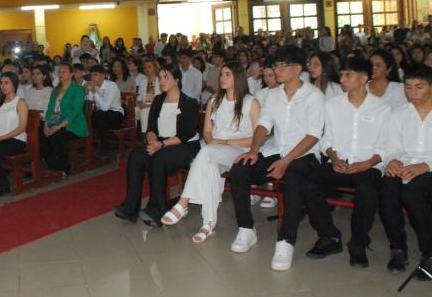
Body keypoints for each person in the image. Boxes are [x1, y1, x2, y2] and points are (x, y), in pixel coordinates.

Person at [228, 45, 324, 271]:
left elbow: (313, 135)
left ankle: (285, 241)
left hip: (304, 155)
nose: (277, 70)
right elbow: (264, 124)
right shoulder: (272, 94)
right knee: (240, 169)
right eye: (275, 65)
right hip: (276, 151)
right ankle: (246, 229)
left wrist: (287, 160)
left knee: (292, 178)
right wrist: (253, 150)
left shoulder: (313, 96)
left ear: (297, 69)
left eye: (283, 66)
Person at [302, 57, 390, 267]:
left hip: (368, 165)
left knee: (367, 191)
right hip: (339, 162)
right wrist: (333, 158)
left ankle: (358, 243)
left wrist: (367, 163)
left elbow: (385, 146)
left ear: (364, 78)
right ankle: (329, 236)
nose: (342, 79)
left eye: (347, 74)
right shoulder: (333, 105)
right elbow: (327, 139)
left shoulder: (382, 108)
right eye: (341, 74)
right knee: (309, 185)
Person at [162, 62, 258, 243]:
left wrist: (224, 142)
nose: (222, 78)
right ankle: (208, 224)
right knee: (210, 166)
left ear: (238, 78)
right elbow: (207, 132)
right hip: (216, 150)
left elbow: (256, 138)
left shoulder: (250, 102)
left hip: (239, 152)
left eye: (227, 74)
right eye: (221, 74)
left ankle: (184, 202)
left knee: (206, 154)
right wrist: (215, 143)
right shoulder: (214, 100)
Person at [115, 64, 201, 227]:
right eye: (160, 78)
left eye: (165, 77)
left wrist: (160, 145)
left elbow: (185, 134)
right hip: (160, 142)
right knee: (136, 155)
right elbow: (151, 128)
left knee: (158, 159)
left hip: (184, 145)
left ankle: (156, 210)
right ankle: (130, 208)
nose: (161, 81)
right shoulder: (158, 100)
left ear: (176, 80)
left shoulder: (188, 102)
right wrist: (152, 141)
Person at [380, 64, 432, 278]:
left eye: (419, 87)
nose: (413, 93)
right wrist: (393, 160)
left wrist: (426, 166)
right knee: (387, 186)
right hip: (407, 167)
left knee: (412, 191)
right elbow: (391, 147)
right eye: (408, 88)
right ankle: (398, 248)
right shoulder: (398, 114)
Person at [43, 63, 88, 174]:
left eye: (64, 72)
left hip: (73, 124)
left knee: (58, 136)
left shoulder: (78, 89)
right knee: (41, 134)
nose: (61, 74)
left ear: (71, 74)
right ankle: (52, 166)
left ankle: (63, 167)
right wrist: (46, 124)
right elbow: (50, 109)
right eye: (59, 72)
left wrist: (60, 126)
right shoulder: (56, 90)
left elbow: (76, 111)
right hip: (55, 122)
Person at [87, 65, 124, 155]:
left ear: (103, 75)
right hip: (101, 115)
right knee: (86, 116)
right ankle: (86, 145)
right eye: (91, 75)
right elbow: (89, 102)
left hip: (116, 115)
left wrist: (94, 91)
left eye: (95, 75)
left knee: (99, 115)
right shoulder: (93, 86)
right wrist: (88, 90)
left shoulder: (111, 86)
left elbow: (105, 107)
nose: (92, 78)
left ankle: (104, 148)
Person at [137, 58, 160, 134]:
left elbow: (161, 97)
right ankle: (133, 134)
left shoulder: (160, 80)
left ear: (155, 68)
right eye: (145, 67)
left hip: (156, 105)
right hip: (144, 105)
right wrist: (140, 103)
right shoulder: (143, 81)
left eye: (149, 67)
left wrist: (148, 105)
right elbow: (139, 96)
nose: (147, 69)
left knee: (144, 112)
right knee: (133, 111)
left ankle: (146, 134)